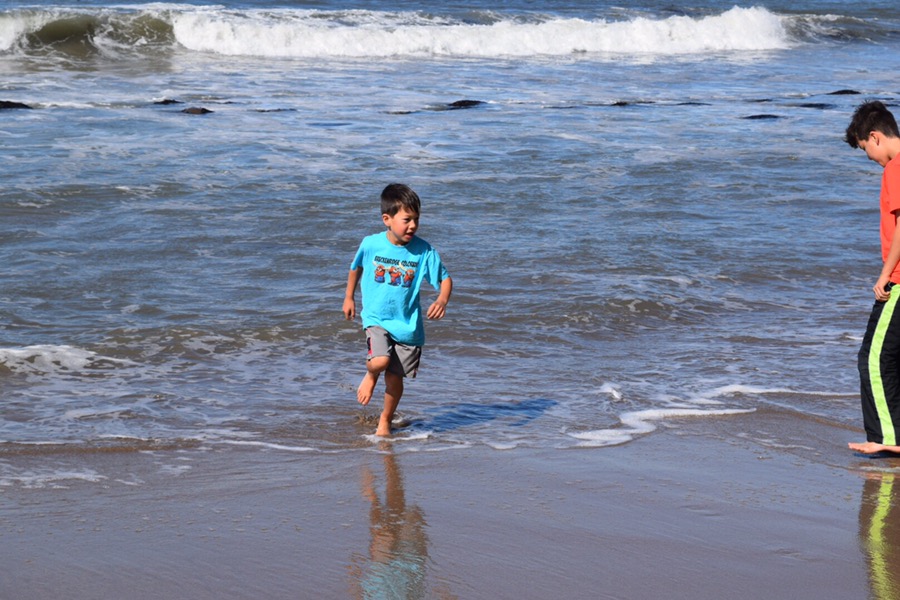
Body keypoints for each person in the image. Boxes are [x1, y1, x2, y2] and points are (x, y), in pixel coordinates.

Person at [343, 183, 452, 436]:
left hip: (407, 326)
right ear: (387, 220)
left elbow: (445, 279)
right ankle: (370, 375)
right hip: (376, 318)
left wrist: (442, 300)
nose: (413, 225)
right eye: (407, 220)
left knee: (395, 379)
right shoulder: (371, 244)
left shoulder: (424, 251)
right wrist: (349, 297)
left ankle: (385, 420)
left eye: (416, 219)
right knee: (380, 361)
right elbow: (355, 267)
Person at [845, 101, 900, 454]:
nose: (873, 160)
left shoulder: (895, 169)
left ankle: (887, 439)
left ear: (875, 137)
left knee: (874, 357)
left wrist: (884, 276)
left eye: (867, 151)